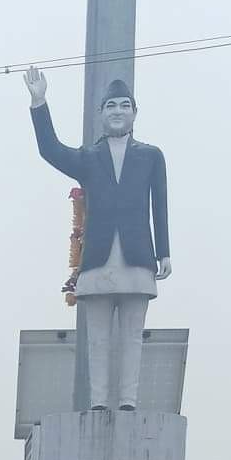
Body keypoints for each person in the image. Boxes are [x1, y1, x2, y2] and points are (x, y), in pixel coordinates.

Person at [19, 66, 170, 413]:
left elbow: (159, 204)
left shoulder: (151, 156)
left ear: (134, 112)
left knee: (133, 335)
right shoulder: (88, 159)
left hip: (138, 257)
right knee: (98, 338)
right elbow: (51, 151)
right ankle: (100, 401)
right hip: (98, 258)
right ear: (100, 113)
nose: (118, 111)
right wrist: (39, 103)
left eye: (124, 105)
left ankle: (129, 400)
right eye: (111, 106)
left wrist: (164, 252)